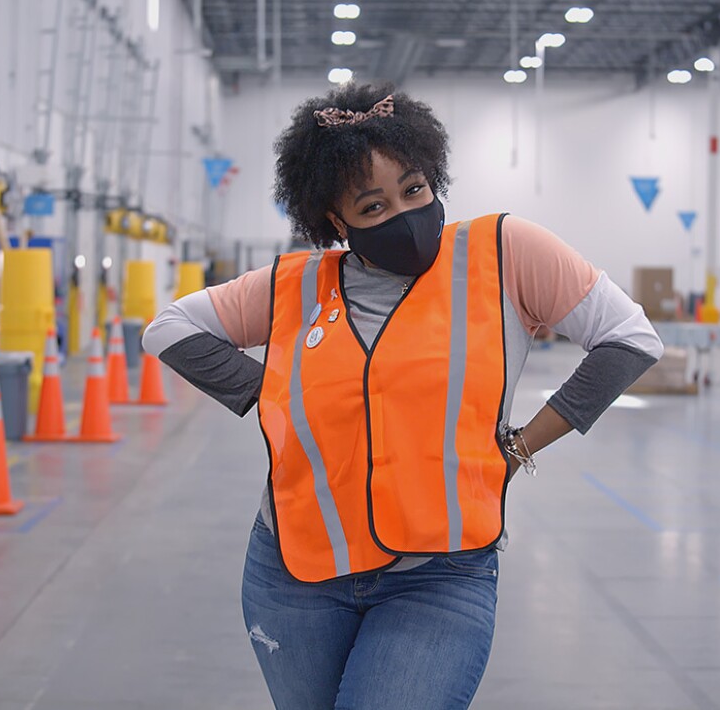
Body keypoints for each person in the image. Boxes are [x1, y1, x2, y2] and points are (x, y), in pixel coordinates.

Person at [143, 82, 663, 710]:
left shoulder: (505, 253)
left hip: (441, 571)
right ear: (336, 222)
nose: (403, 214)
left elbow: (629, 338)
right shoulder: (295, 286)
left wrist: (522, 444)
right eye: (373, 206)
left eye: (413, 190)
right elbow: (168, 328)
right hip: (295, 570)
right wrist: (273, 392)